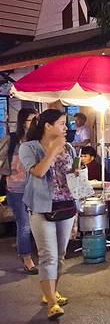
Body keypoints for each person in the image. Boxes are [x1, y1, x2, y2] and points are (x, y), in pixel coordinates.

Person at [20, 109, 79, 320]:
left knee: (61, 255)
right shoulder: (29, 147)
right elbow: (38, 172)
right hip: (41, 207)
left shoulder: (69, 148)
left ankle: (51, 291)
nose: (66, 127)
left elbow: (71, 175)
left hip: (66, 205)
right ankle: (52, 303)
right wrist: (53, 150)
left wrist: (77, 172)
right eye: (62, 123)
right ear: (47, 125)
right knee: (48, 255)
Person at [3, 108, 38, 274]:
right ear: (23, 122)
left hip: (35, 188)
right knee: (24, 224)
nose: (36, 123)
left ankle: (28, 251)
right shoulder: (11, 140)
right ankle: (27, 258)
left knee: (35, 223)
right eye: (33, 120)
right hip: (15, 188)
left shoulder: (36, 141)